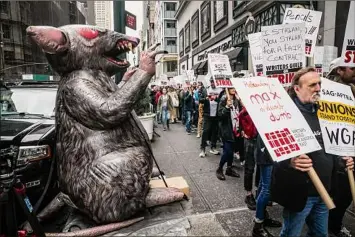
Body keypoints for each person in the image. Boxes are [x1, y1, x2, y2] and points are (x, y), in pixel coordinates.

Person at [271, 67, 354, 237]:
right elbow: (269, 152)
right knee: (290, 234)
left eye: (319, 84)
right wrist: (290, 162)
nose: (318, 88)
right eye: (312, 85)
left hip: (325, 191)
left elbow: (330, 146)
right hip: (300, 194)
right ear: (297, 88)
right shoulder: (283, 114)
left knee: (320, 234)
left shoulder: (326, 111)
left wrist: (343, 160)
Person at [326, 57, 355, 237]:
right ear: (339, 71)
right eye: (351, 68)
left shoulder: (352, 90)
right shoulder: (328, 93)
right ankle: (333, 225)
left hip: (350, 147)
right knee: (341, 194)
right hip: (337, 152)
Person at [252, 135, 282, 237]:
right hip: (266, 153)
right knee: (266, 189)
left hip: (268, 151)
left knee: (263, 185)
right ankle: (258, 225)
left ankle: (262, 216)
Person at [216, 87, 241, 180]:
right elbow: (220, 115)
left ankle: (229, 169)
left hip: (236, 128)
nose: (234, 89)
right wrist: (226, 107)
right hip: (227, 129)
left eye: (235, 87)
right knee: (228, 151)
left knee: (232, 150)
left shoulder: (237, 98)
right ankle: (219, 169)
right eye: (231, 87)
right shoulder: (223, 98)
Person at [199, 81, 220, 157]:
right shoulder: (206, 90)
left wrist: (217, 98)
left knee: (215, 132)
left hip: (216, 115)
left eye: (214, 82)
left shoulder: (220, 90)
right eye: (211, 82)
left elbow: (221, 101)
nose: (213, 84)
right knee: (205, 131)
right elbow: (200, 100)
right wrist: (206, 98)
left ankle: (213, 147)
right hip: (207, 115)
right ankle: (203, 149)